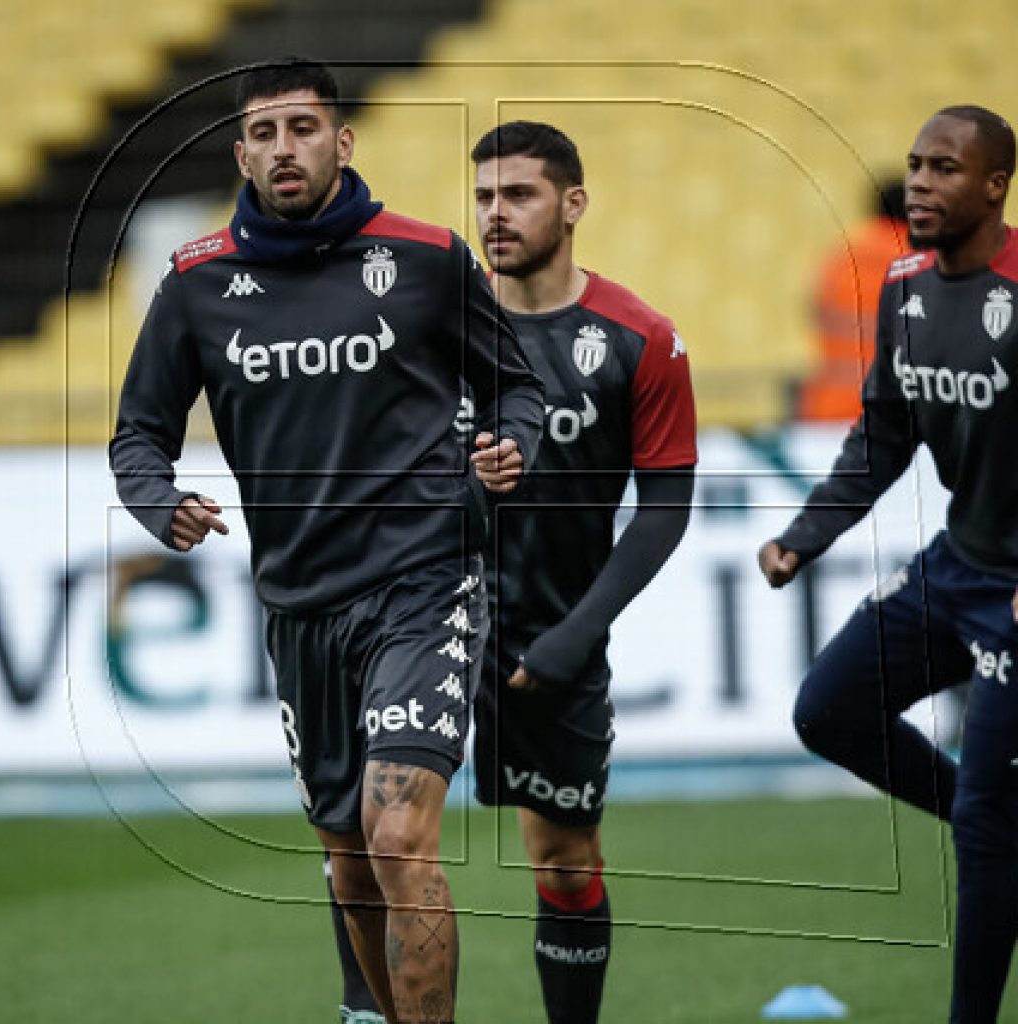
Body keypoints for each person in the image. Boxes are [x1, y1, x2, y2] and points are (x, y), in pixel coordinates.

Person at [109, 59, 545, 1024]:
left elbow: (520, 384)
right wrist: (156, 499)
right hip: (301, 606)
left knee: (398, 842)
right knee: (349, 855)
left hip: (425, 583)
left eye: (302, 129)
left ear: (342, 142)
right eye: (263, 135)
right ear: (241, 154)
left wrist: (511, 441)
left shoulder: (427, 258)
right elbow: (139, 431)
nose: (284, 149)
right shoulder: (196, 284)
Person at [758, 105, 1018, 1023]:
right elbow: (883, 435)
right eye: (914, 165)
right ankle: (997, 825)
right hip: (959, 567)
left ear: (995, 186)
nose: (920, 182)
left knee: (990, 836)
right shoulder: (903, 287)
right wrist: (805, 535)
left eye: (945, 168)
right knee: (827, 710)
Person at [469, 120, 696, 1022]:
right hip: (423, 619)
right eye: (483, 195)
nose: (495, 213)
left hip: (547, 634)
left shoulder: (640, 338)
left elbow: (665, 508)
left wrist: (573, 638)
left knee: (563, 860)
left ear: (573, 204)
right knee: (382, 833)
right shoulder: (428, 322)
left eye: (517, 194)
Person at [797, 176, 908, 421]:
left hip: (830, 409)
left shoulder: (837, 257)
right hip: (894, 416)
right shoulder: (921, 262)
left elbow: (814, 313)